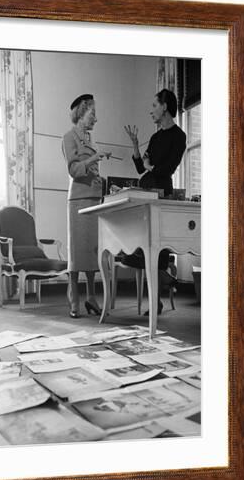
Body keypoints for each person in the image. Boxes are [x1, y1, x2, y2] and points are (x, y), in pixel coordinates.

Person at [123, 88, 186, 315]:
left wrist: (150, 166)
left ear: (165, 106)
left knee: (156, 248)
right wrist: (135, 146)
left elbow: (168, 168)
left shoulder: (179, 136)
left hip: (161, 192)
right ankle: (165, 278)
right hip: (145, 189)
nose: (151, 110)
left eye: (154, 105)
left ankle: (160, 291)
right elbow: (142, 167)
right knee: (143, 246)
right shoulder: (155, 137)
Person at [62, 94, 111, 319]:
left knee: (92, 252)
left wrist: (99, 161)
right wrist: (95, 158)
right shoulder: (68, 137)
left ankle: (91, 297)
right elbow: (73, 170)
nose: (96, 119)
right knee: (76, 253)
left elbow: (92, 170)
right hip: (79, 200)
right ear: (81, 113)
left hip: (94, 199)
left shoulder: (91, 140)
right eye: (93, 114)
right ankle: (75, 299)